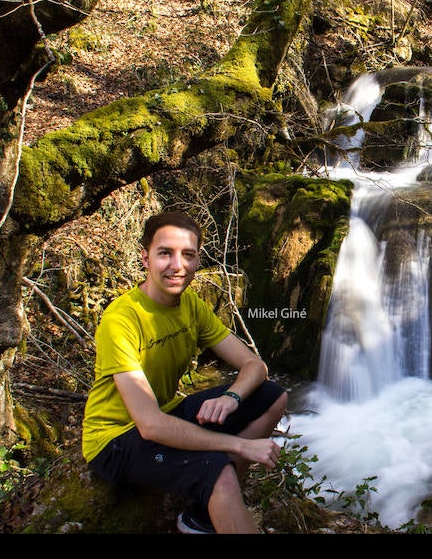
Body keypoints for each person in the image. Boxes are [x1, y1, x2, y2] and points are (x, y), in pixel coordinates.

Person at [81, 210, 288, 534]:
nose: (177, 265)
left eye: (187, 255)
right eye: (165, 253)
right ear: (145, 258)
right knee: (215, 468)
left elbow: (255, 366)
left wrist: (232, 397)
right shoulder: (121, 319)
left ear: (196, 261)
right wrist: (239, 446)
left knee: (272, 395)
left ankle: (203, 515)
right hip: (115, 440)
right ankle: (219, 493)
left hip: (164, 415)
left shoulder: (191, 306)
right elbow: (149, 426)